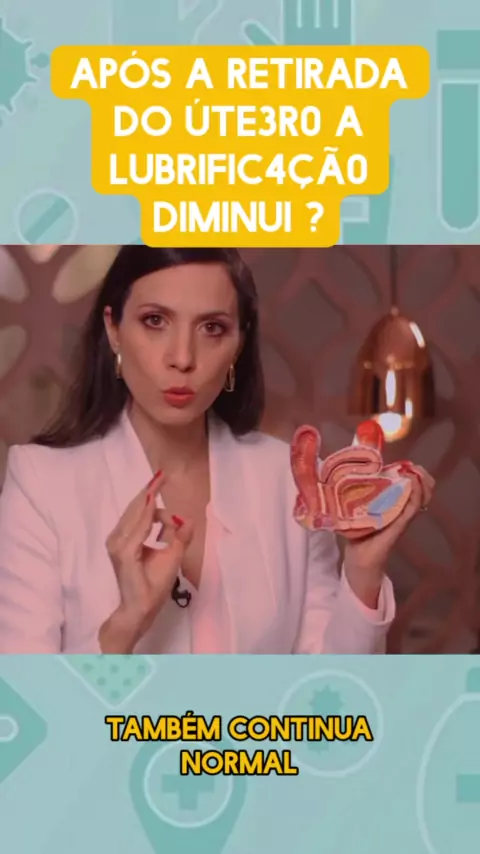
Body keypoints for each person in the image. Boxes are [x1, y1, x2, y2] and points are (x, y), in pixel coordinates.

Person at [0, 247, 434, 654]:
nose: (182, 357)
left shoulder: (290, 481)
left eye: (212, 328)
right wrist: (125, 624)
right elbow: (28, 701)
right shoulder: (41, 483)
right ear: (113, 329)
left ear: (238, 345)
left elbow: (329, 691)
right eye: (155, 320)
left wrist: (363, 569)